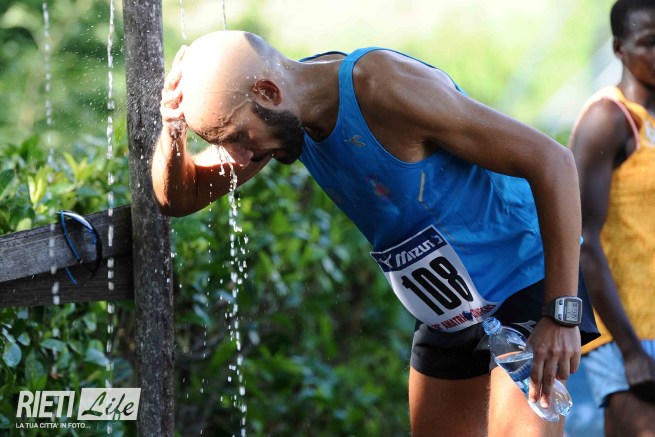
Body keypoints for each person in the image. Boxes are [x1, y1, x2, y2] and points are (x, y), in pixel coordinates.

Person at [151, 30, 598, 436]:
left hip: (525, 275)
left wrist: (561, 313)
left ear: (268, 92)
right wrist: (172, 132)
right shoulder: (285, 116)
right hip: (449, 307)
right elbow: (179, 199)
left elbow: (553, 161)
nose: (239, 156)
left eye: (238, 137)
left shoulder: (383, 87)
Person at [569, 1, 655, 435]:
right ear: (620, 49)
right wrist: (630, 351)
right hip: (623, 333)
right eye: (650, 43)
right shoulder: (607, 119)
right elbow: (581, 241)